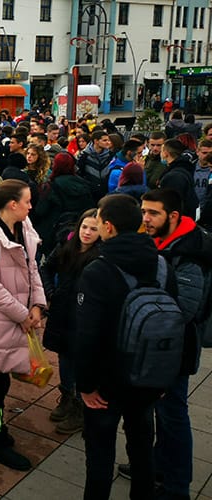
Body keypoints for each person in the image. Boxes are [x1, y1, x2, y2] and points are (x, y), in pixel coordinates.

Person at [75, 194, 173, 499]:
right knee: (142, 446)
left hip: (107, 380)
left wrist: (86, 384)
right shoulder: (159, 263)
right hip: (147, 374)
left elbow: (87, 335)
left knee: (100, 452)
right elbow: (176, 319)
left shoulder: (99, 270)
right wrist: (167, 374)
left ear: (108, 226)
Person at [133, 188, 212, 500]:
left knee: (173, 415)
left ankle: (177, 487)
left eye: (153, 213)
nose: (145, 219)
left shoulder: (190, 252)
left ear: (174, 216)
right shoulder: (164, 242)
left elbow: (184, 311)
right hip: (158, 345)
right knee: (163, 412)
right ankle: (158, 467)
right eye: (143, 211)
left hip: (175, 350)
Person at [0, 179, 46, 471]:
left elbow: (32, 268)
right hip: (0, 318)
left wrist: (38, 304)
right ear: (12, 204)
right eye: (27, 201)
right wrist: (22, 314)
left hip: (19, 316)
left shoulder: (24, 228)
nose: (31, 206)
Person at [40, 209, 101, 435]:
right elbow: (46, 268)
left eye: (93, 229)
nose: (87, 232)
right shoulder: (67, 247)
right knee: (64, 355)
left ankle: (79, 407)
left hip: (83, 316)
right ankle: (67, 397)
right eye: (84, 227)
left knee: (79, 359)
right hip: (61, 311)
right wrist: (50, 292)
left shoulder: (99, 256)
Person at [159, 139, 199, 218]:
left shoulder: (173, 176)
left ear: (166, 153)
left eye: (161, 151)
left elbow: (172, 203)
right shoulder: (185, 168)